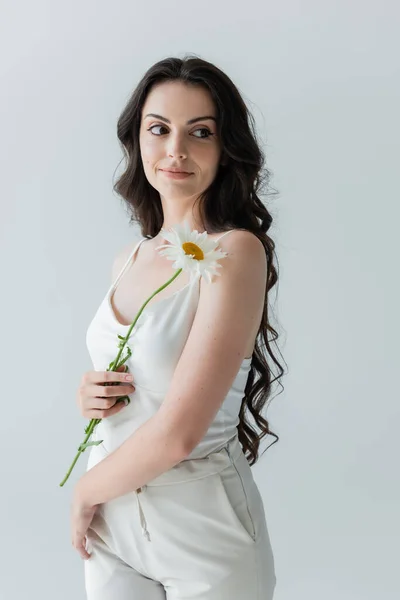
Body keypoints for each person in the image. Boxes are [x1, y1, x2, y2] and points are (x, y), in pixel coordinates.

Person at [74, 55, 284, 600]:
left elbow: (180, 433)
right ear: (137, 139)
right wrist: (92, 392)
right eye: (159, 129)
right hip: (114, 518)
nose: (176, 150)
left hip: (201, 526)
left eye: (201, 133)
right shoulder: (128, 259)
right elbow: (144, 378)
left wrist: (83, 493)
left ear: (225, 147)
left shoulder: (235, 252)